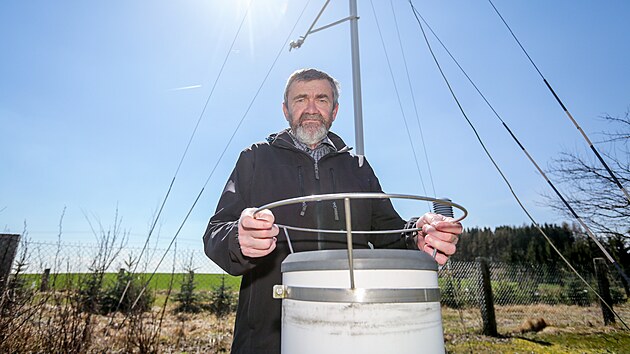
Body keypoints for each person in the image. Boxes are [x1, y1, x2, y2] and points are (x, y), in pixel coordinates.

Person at [203, 68, 462, 354]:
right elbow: (215, 232)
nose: (311, 108)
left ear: (335, 110)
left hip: (350, 332)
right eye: (300, 99)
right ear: (285, 109)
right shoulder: (255, 158)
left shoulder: (358, 168)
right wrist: (239, 238)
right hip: (267, 338)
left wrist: (419, 235)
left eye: (322, 99)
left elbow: (390, 232)